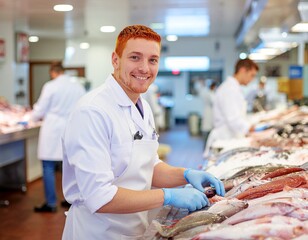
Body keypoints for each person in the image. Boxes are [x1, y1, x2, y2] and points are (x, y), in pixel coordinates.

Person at [61, 25, 224, 240]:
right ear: (115, 59)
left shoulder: (142, 106)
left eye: (153, 60)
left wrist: (185, 174)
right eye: (135, 57)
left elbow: (148, 165)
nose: (145, 68)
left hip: (136, 228)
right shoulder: (92, 111)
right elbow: (99, 197)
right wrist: (168, 196)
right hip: (99, 232)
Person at [31, 62, 86, 213]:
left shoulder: (50, 86)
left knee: (48, 167)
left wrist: (31, 117)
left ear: (53, 72)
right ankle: (70, 200)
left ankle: (51, 203)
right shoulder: (77, 86)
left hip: (52, 129)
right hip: (71, 128)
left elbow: (40, 109)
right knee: (69, 167)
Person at [204, 58, 259, 156]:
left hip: (229, 138)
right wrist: (252, 129)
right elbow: (233, 120)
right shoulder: (229, 89)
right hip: (224, 140)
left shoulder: (234, 88)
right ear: (242, 70)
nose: (252, 79)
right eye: (252, 75)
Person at [198, 80, 217, 147]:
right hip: (208, 113)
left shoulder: (210, 93)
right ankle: (206, 146)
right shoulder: (209, 93)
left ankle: (208, 146)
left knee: (208, 129)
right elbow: (213, 101)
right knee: (206, 130)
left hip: (210, 113)